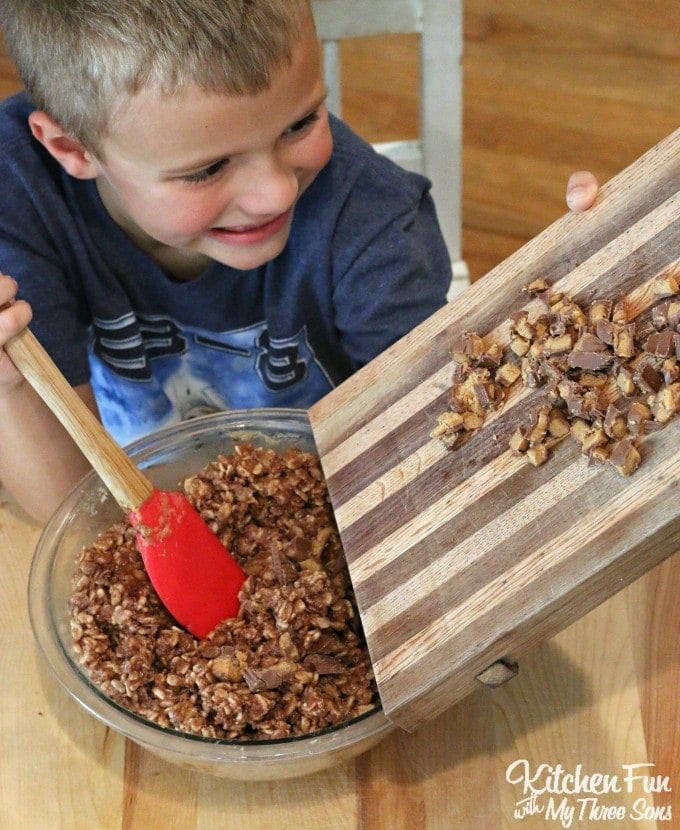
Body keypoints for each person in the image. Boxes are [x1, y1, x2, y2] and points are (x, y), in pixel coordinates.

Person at [0, 0, 452, 522]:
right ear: (73, 149)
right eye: (208, 169)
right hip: (126, 498)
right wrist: (10, 383)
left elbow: (438, 439)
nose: (276, 194)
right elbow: (69, 510)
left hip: (350, 500)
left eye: (301, 123)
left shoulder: (373, 218)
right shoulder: (17, 197)